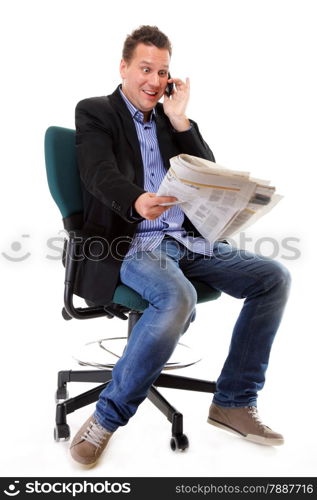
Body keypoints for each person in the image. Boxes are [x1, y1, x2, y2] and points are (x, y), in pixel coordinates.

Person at [70, 25, 291, 466]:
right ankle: (107, 417)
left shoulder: (173, 120)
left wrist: (180, 120)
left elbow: (208, 174)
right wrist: (137, 200)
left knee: (273, 278)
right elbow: (96, 172)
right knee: (178, 297)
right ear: (124, 67)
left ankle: (232, 402)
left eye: (162, 71)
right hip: (133, 243)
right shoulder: (96, 112)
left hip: (187, 240)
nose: (153, 81)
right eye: (145, 69)